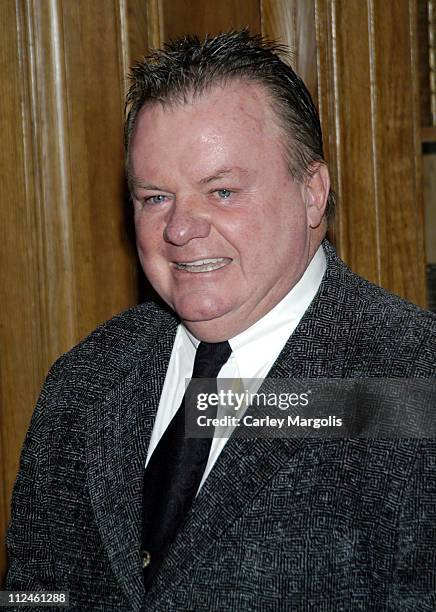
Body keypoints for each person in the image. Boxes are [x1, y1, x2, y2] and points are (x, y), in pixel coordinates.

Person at [6, 30, 436, 611]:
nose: (181, 229)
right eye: (155, 197)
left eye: (223, 191)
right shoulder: (84, 381)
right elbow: (36, 595)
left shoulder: (413, 382)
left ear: (312, 193)